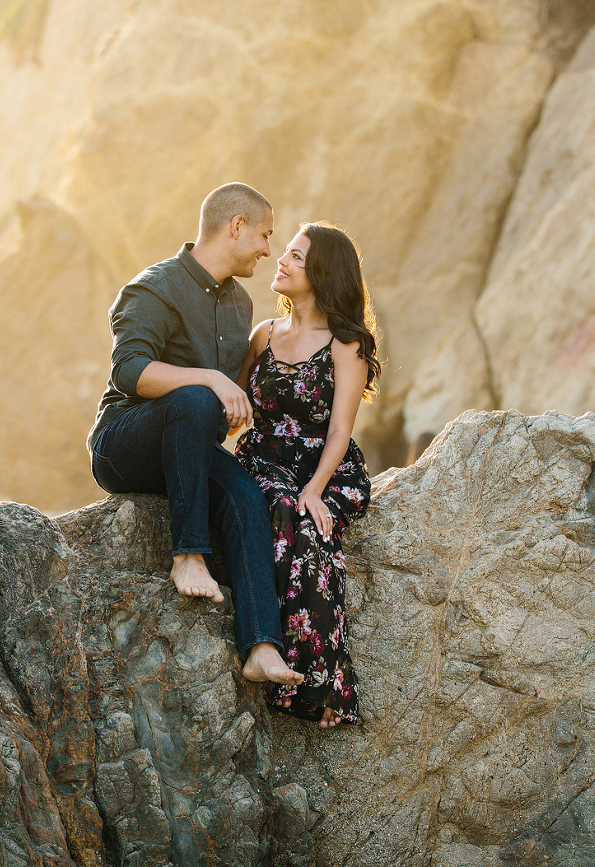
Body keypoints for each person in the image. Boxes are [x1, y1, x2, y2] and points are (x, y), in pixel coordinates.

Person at [87, 182, 304, 688]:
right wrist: (208, 380)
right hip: (123, 443)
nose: (268, 249)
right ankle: (188, 557)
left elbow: (221, 400)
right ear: (236, 227)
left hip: (188, 448)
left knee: (246, 495)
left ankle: (262, 648)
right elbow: (130, 372)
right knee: (193, 397)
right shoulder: (154, 287)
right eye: (265, 235)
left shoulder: (240, 306)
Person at [234, 221, 379, 727]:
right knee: (279, 515)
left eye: (295, 256)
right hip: (264, 462)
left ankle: (321, 689)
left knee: (312, 539)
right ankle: (276, 662)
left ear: (320, 273)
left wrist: (315, 490)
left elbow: (340, 429)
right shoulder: (262, 336)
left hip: (326, 470)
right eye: (287, 252)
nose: (282, 260)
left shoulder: (346, 344)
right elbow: (231, 403)